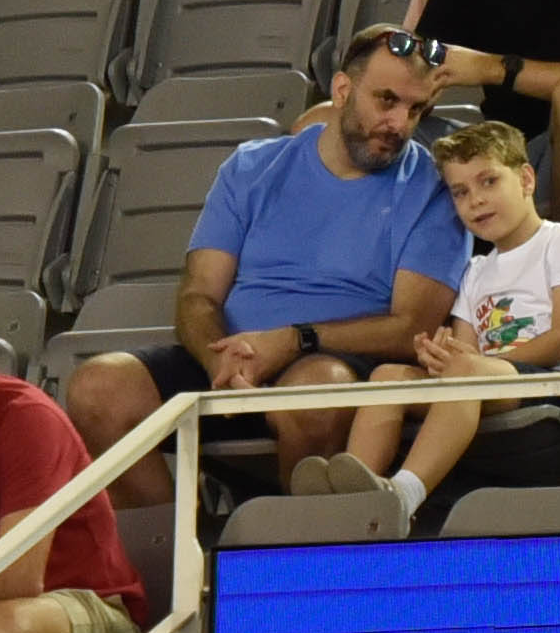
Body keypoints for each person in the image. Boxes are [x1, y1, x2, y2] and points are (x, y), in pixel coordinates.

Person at [145, 29, 466, 481]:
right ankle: (172, 543)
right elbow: (198, 295)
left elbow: (413, 329)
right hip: (235, 358)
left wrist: (296, 339)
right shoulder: (251, 165)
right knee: (101, 387)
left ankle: (290, 541)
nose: (399, 124)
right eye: (386, 101)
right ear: (341, 90)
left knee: (317, 392)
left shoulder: (432, 188)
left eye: (416, 110)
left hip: (335, 362)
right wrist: (219, 357)